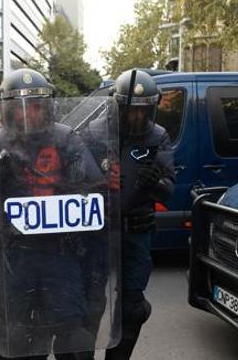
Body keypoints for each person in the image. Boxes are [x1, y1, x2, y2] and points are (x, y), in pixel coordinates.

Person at [0, 68, 107, 360]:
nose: (29, 115)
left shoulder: (67, 140)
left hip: (60, 252)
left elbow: (96, 193)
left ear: (48, 108)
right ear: (8, 111)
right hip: (16, 254)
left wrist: (76, 189)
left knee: (72, 335)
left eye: (36, 106)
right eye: (20, 108)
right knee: (18, 335)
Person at [82, 69, 175, 360]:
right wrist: (97, 183)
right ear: (117, 106)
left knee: (133, 307)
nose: (137, 118)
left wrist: (155, 182)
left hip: (136, 231)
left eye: (144, 111)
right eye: (131, 111)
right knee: (89, 302)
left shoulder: (158, 135)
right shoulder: (94, 131)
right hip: (98, 231)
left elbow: (168, 190)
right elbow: (74, 180)